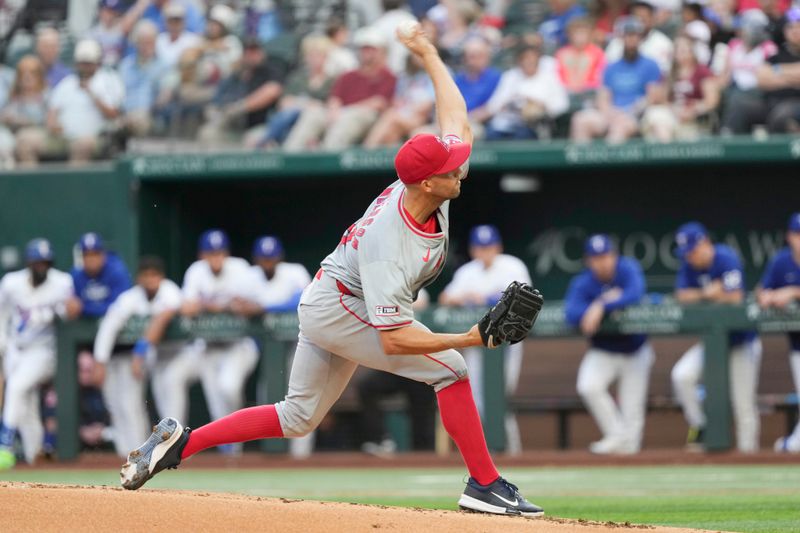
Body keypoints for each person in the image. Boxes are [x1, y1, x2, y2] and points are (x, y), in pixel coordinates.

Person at [120, 23, 544, 518]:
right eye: (451, 168)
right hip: (343, 304)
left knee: (297, 416)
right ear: (429, 182)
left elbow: (456, 116)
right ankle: (484, 484)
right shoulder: (393, 241)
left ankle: (180, 443)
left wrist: (428, 52)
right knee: (451, 368)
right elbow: (394, 340)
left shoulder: (429, 185)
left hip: (334, 295)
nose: (461, 170)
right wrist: (473, 337)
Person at [438, 225, 532, 456]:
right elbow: (444, 298)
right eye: (480, 248)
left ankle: (511, 453)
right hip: (477, 345)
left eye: (489, 247)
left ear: (497, 247)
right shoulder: (467, 272)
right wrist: (464, 298)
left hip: (506, 344)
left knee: (500, 398)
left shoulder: (513, 265)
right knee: (478, 401)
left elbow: (525, 297)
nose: (485, 252)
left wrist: (488, 298)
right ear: (473, 250)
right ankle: (488, 454)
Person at [671, 222, 762, 453]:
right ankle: (702, 426)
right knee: (682, 375)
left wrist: (709, 296)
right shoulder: (689, 266)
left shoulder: (725, 257)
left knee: (742, 405)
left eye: (692, 250)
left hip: (742, 342)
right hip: (713, 344)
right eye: (686, 252)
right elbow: (681, 295)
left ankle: (747, 454)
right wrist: (707, 293)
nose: (689, 256)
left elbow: (735, 297)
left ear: (704, 243)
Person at [565, 235, 654, 455]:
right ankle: (616, 435)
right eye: (596, 258)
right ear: (589, 261)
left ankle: (628, 449)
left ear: (614, 256)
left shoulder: (627, 269)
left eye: (606, 256)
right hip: (603, 350)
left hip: (636, 349)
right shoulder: (583, 282)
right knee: (589, 386)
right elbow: (571, 313)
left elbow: (635, 293)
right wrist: (598, 304)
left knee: (632, 412)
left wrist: (602, 304)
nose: (602, 262)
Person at [92, 256, 182, 457]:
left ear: (162, 277)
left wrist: (139, 354)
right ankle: (128, 452)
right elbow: (110, 324)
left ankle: (151, 451)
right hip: (145, 355)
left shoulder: (170, 291)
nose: (150, 280)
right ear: (139, 278)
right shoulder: (130, 297)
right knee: (119, 402)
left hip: (174, 354)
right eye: (146, 275)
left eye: (154, 275)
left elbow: (162, 319)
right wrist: (100, 361)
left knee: (146, 402)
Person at [179, 229, 260, 452]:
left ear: (226, 253)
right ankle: (230, 456)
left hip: (238, 345)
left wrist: (216, 305)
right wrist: (222, 304)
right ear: (202, 255)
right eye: (210, 253)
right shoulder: (196, 271)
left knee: (229, 387)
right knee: (215, 404)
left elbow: (251, 305)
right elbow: (187, 308)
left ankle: (237, 440)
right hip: (207, 346)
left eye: (219, 253)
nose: (215, 257)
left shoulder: (240, 268)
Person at [0, 239, 74, 470]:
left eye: (45, 262)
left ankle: (4, 445)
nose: (41, 266)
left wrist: (63, 310)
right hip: (14, 348)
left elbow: (70, 310)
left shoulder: (62, 282)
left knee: (17, 387)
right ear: (28, 263)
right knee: (25, 408)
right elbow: (2, 314)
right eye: (37, 262)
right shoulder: (12, 282)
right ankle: (35, 459)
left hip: (43, 350)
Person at [283, 26, 397, 152]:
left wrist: (345, 111)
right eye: (364, 49)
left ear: (382, 52)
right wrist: (334, 110)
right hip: (341, 113)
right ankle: (289, 156)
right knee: (314, 114)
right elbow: (335, 98)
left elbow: (379, 103)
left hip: (366, 115)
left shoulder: (388, 76)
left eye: (371, 49)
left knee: (351, 116)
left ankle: (328, 159)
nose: (367, 53)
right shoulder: (348, 76)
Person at [571, 17, 662, 143]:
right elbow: (603, 98)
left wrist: (631, 111)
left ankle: (606, 162)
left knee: (619, 128)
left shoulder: (650, 64)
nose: (631, 39)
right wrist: (611, 114)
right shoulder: (611, 67)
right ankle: (582, 162)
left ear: (640, 38)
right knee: (581, 120)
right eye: (628, 35)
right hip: (612, 114)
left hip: (637, 116)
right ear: (621, 38)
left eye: (635, 35)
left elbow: (652, 97)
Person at [42, 39, 125, 165]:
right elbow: (52, 111)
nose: (85, 67)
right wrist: (53, 124)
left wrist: (91, 93)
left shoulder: (108, 80)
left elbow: (113, 114)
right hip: (63, 137)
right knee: (26, 141)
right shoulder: (67, 82)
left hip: (97, 138)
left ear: (98, 63)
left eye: (89, 63)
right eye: (82, 63)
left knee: (81, 145)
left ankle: (71, 184)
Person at [757, 213, 800, 454]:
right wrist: (768, 296)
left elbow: (789, 292)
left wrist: (792, 292)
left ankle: (791, 445)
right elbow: (762, 291)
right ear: (789, 236)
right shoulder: (781, 262)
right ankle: (792, 446)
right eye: (798, 234)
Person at [197, 39, 285, 146]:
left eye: (255, 51)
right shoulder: (236, 75)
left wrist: (241, 107)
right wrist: (216, 111)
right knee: (208, 133)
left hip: (259, 125)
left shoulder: (269, 71)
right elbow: (217, 98)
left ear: (262, 53)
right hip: (231, 124)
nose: (252, 55)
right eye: (249, 52)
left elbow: (273, 90)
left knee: (254, 140)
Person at [254, 35, 333, 149]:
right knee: (289, 114)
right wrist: (306, 104)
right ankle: (268, 141)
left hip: (317, 121)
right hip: (291, 119)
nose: (315, 59)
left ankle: (267, 141)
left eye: (319, 55)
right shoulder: (297, 78)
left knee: (308, 115)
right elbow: (284, 103)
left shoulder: (332, 80)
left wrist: (302, 103)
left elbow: (329, 105)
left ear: (326, 57)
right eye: (311, 55)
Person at [641, 34, 721, 142]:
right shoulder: (670, 73)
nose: (681, 52)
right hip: (674, 116)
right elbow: (663, 100)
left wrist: (694, 110)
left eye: (684, 48)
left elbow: (712, 101)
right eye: (678, 49)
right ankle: (666, 152)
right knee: (655, 116)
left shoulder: (702, 72)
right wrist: (674, 110)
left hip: (696, 120)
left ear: (693, 51)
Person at [480, 44, 569, 140]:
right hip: (507, 122)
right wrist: (509, 102)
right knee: (491, 134)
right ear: (519, 61)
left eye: (532, 59)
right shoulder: (510, 76)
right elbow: (494, 105)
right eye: (525, 59)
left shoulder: (550, 78)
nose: (528, 62)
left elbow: (562, 105)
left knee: (523, 135)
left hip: (535, 126)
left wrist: (539, 105)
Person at [718, 9, 778, 134]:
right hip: (734, 88)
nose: (741, 31)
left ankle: (728, 132)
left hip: (758, 91)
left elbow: (772, 75)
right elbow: (726, 74)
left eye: (745, 28)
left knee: (737, 99)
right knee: (725, 94)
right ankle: (722, 130)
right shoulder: (734, 45)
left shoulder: (769, 47)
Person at [363, 54, 435, 148]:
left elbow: (428, 104)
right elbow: (397, 100)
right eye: (415, 54)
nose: (417, 57)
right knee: (391, 132)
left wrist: (407, 109)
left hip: (422, 119)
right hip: (405, 115)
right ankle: (383, 158)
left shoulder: (434, 74)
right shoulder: (405, 76)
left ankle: (366, 150)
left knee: (391, 116)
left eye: (420, 54)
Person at [755, 7, 800, 133]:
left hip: (795, 103)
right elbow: (761, 79)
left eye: (799, 27)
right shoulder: (777, 55)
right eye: (790, 27)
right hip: (772, 102)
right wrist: (794, 80)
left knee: (782, 115)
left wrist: (777, 72)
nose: (795, 31)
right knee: (740, 107)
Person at [68, 232, 132, 319]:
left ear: (103, 254)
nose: (91, 259)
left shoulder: (117, 272)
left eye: (95, 254)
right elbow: (73, 306)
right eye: (87, 255)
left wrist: (84, 308)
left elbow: (119, 308)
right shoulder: (76, 275)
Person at [119, 20, 166, 137]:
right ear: (136, 43)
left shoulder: (164, 66)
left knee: (138, 122)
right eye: (143, 42)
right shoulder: (125, 65)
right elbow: (118, 94)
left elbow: (165, 93)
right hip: (124, 114)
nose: (146, 46)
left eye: (150, 42)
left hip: (150, 115)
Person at [0, 56, 48, 169]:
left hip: (40, 133)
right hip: (13, 133)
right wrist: (7, 118)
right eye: (23, 73)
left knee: (23, 141)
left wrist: (28, 122)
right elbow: (5, 116)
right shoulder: (14, 96)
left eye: (32, 73)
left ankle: (31, 184)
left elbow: (49, 121)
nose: (27, 77)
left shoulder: (46, 96)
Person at [605, 0, 674, 73]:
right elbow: (608, 69)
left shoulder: (663, 43)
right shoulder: (617, 41)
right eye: (636, 17)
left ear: (652, 19)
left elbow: (664, 73)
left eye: (643, 18)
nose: (639, 21)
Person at [555, 17, 607, 97]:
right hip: (564, 93)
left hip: (589, 94)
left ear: (589, 35)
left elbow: (601, 77)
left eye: (583, 33)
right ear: (570, 35)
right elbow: (557, 77)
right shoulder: (561, 53)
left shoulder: (598, 53)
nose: (580, 37)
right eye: (576, 33)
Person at [453, 37, 502, 118]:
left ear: (488, 57)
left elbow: (491, 107)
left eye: (481, 56)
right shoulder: (458, 79)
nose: (477, 60)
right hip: (456, 120)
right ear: (464, 59)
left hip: (481, 123)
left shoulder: (496, 78)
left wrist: (466, 119)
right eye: (472, 57)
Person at [154, 2, 203, 69]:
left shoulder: (193, 40)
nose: (174, 24)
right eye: (171, 20)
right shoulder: (159, 39)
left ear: (184, 22)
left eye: (177, 20)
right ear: (166, 22)